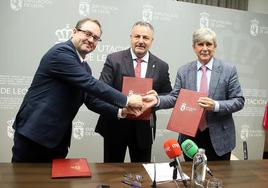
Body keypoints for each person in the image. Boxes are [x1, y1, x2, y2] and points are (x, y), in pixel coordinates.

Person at [11, 18, 143, 163]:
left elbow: (91, 100)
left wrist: (121, 112)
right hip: (34, 136)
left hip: (57, 141)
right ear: (74, 32)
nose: (91, 39)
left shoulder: (84, 68)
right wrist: (127, 100)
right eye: (87, 34)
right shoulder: (61, 52)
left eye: (96, 38)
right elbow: (91, 84)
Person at [145, 27, 245, 161]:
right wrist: (157, 100)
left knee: (218, 177)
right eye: (200, 44)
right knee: (192, 175)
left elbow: (238, 100)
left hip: (219, 137)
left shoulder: (228, 70)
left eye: (209, 44)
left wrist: (215, 105)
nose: (205, 48)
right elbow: (175, 97)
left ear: (215, 47)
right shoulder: (184, 71)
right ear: (194, 47)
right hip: (190, 137)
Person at [95, 21, 172, 162]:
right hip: (115, 125)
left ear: (151, 41)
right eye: (137, 36)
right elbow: (102, 90)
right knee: (112, 173)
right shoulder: (114, 60)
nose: (141, 41)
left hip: (143, 131)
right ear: (131, 37)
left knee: (141, 174)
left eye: (146, 38)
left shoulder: (161, 66)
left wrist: (156, 98)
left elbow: (169, 95)